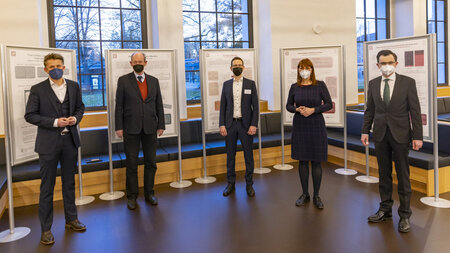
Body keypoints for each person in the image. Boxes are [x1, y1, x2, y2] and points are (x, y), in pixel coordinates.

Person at [25, 53, 86, 245]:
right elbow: (30, 115)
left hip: (70, 142)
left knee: (69, 183)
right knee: (47, 187)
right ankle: (46, 229)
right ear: (45, 69)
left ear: (64, 67)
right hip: (48, 144)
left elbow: (80, 108)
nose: (55, 69)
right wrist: (54, 122)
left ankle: (71, 219)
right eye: (51, 67)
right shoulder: (37, 89)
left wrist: (75, 119)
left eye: (58, 65)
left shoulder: (74, 87)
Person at [361, 50, 423, 233]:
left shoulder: (407, 83)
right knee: (384, 174)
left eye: (390, 62)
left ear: (396, 63)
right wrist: (365, 131)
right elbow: (369, 111)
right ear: (378, 65)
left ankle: (405, 215)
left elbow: (415, 111)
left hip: (401, 135)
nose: (386, 66)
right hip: (380, 135)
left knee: (403, 175)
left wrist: (417, 136)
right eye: (383, 63)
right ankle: (385, 209)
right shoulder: (373, 84)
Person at [115, 52, 165, 210]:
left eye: (140, 61)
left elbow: (159, 105)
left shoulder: (154, 81)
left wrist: (161, 124)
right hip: (130, 128)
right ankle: (132, 196)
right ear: (130, 63)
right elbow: (119, 106)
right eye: (135, 61)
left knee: (151, 162)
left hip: (150, 127)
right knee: (131, 164)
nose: (138, 63)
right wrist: (119, 126)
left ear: (146, 62)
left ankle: (149, 193)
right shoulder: (123, 81)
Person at [286, 58, 332, 209]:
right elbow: (288, 105)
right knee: (303, 161)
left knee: (316, 161)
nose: (304, 70)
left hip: (316, 124)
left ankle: (317, 195)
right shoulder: (294, 87)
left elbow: (329, 104)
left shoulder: (320, 85)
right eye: (301, 68)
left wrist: (313, 110)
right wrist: (297, 109)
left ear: (312, 70)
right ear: (298, 70)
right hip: (300, 125)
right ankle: (304, 193)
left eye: (307, 68)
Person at [219, 56, 259, 197]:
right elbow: (223, 107)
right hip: (230, 125)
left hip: (246, 125)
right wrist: (222, 124)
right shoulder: (226, 84)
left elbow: (256, 107)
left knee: (248, 156)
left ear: (243, 67)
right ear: (231, 68)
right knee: (230, 156)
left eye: (240, 65)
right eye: (235, 65)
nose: (237, 67)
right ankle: (230, 183)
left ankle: (249, 184)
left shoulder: (250, 84)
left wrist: (254, 124)